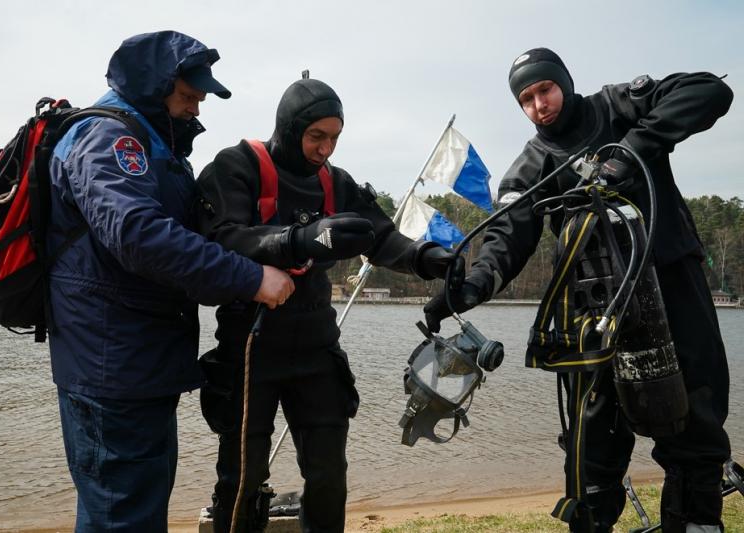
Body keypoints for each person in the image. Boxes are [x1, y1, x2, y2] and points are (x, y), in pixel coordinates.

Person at [424, 48, 733, 532]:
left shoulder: (619, 105)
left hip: (672, 285)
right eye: (525, 99)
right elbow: (506, 240)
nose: (538, 105)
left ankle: (697, 521)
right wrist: (468, 288)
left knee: (695, 423)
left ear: (563, 82)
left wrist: (630, 150)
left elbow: (710, 90)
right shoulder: (531, 167)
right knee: (592, 444)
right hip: (594, 312)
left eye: (544, 89)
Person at [46, 31, 294, 531]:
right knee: (124, 514)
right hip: (112, 369)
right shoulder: (111, 140)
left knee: (121, 508)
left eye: (199, 100)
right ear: (149, 86)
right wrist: (250, 277)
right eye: (187, 97)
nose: (194, 110)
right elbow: (138, 234)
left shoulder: (149, 139)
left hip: (132, 365)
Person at [196, 77, 462, 532]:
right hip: (250, 345)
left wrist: (424, 257)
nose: (325, 149)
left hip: (316, 344)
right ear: (287, 127)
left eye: (335, 138)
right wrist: (300, 238)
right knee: (242, 477)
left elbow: (378, 235)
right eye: (316, 136)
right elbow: (222, 238)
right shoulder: (236, 166)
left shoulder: (335, 184)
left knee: (328, 476)